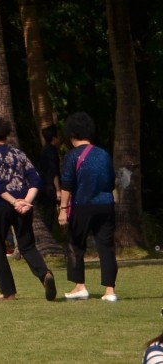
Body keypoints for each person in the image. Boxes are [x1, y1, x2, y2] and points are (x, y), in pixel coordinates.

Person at [0, 115, 55, 301]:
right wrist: (26, 201)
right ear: (6, 134)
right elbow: (36, 180)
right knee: (27, 245)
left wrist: (14, 202)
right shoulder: (19, 154)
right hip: (23, 205)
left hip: (0, 205)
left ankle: (7, 291)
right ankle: (44, 273)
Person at [58, 111, 118, 301]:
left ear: (71, 134)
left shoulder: (72, 156)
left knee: (75, 245)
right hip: (105, 205)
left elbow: (67, 184)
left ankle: (80, 286)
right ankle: (110, 291)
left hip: (82, 205)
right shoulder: (103, 154)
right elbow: (111, 180)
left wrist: (63, 209)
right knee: (106, 247)